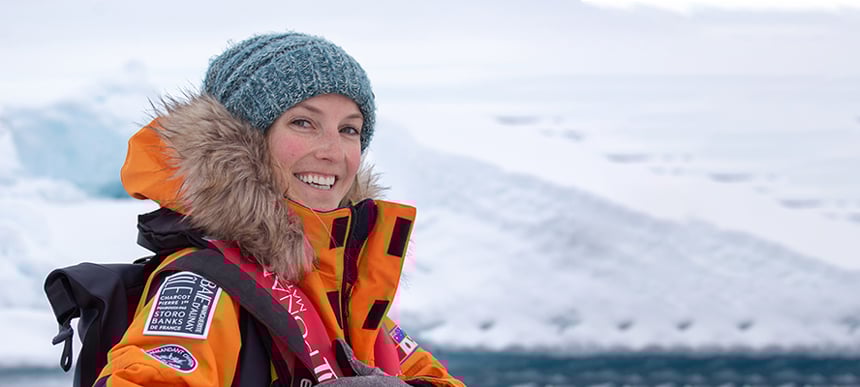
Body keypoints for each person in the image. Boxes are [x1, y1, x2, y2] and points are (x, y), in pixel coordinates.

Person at [97, 32, 465, 386]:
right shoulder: (205, 285)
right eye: (303, 123)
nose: (333, 151)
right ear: (242, 142)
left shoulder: (343, 287)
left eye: (349, 129)